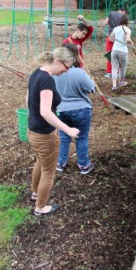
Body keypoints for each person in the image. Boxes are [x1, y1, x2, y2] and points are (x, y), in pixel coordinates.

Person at [26, 47, 80, 216]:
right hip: (45, 134)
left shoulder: (36, 73)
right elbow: (45, 111)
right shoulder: (47, 80)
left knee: (40, 162)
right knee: (48, 172)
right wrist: (68, 129)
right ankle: (40, 208)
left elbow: (28, 100)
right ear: (58, 61)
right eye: (66, 66)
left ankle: (35, 193)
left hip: (33, 130)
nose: (66, 71)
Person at [53, 44, 95, 175]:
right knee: (81, 137)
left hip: (61, 109)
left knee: (64, 136)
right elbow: (91, 88)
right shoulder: (79, 72)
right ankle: (83, 165)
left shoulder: (54, 73)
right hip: (81, 109)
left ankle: (60, 163)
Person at [109, 14, 133, 91]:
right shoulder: (128, 30)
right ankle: (121, 82)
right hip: (123, 51)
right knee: (122, 68)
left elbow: (110, 38)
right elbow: (128, 39)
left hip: (114, 50)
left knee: (114, 67)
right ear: (127, 21)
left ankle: (114, 85)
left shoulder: (115, 29)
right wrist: (131, 42)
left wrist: (115, 41)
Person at [104, 6, 128, 78]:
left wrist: (111, 24)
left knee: (110, 55)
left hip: (110, 36)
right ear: (124, 11)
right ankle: (117, 72)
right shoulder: (124, 17)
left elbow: (105, 22)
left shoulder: (111, 13)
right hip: (119, 38)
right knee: (119, 55)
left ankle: (109, 72)